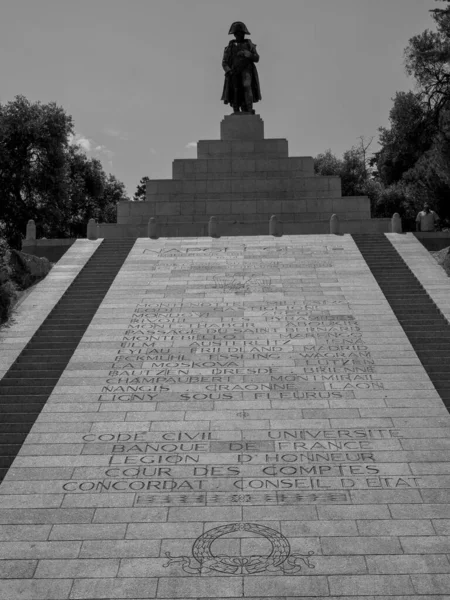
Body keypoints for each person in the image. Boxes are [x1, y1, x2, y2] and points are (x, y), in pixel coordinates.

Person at [221, 21, 262, 114]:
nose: (240, 35)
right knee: (235, 90)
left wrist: (248, 54)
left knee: (247, 86)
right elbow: (224, 62)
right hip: (234, 72)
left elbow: (256, 58)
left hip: (247, 70)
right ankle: (236, 109)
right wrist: (229, 71)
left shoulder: (249, 44)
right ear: (235, 35)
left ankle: (249, 107)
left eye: (241, 33)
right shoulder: (230, 46)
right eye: (238, 33)